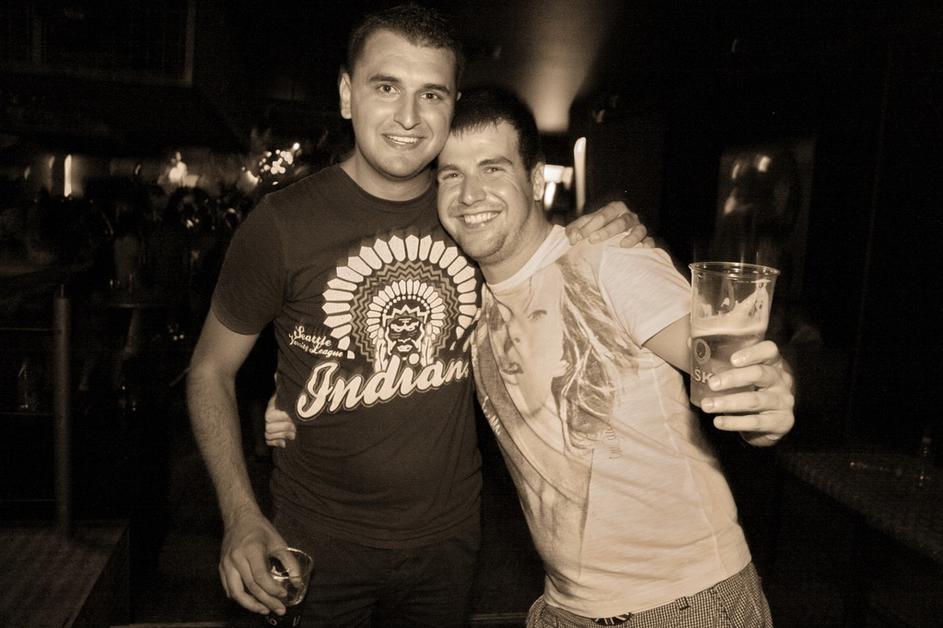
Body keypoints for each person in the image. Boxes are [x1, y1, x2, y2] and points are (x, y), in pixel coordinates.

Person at [186, 5, 645, 627]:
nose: (408, 117)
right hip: (315, 541)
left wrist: (605, 230)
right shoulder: (280, 226)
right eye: (386, 87)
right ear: (346, 94)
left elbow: (549, 256)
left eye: (432, 94)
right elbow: (210, 369)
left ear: (452, 106)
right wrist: (240, 515)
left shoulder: (473, 214)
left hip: (448, 544)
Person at [270, 87, 794, 626]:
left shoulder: (609, 259)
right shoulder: (467, 304)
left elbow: (721, 363)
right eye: (452, 175)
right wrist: (289, 398)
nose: (471, 194)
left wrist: (767, 398)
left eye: (492, 169)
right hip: (566, 607)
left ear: (536, 180)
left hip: (684, 600)